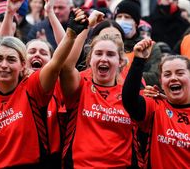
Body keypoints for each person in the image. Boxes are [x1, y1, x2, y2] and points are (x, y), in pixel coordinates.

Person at [0, 0, 88, 168]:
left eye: (43, 52)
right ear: (25, 61)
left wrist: (70, 30)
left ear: (21, 64)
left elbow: (60, 62)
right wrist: (9, 13)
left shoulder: (37, 86)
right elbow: (4, 47)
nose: (4, 65)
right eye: (32, 51)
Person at [59, 19, 143, 167]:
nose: (104, 59)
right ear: (90, 59)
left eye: (110, 54)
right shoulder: (80, 86)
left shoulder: (129, 95)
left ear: (121, 62)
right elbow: (66, 67)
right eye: (98, 53)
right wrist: (85, 28)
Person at [123, 39, 190, 168]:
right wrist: (138, 61)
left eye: (180, 73)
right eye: (167, 74)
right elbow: (129, 100)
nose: (173, 77)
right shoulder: (155, 107)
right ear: (161, 81)